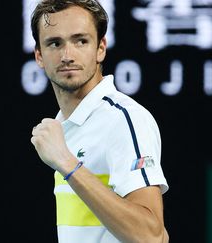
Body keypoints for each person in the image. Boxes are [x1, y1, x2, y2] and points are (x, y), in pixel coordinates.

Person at [30, 0, 169, 242]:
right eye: (55, 43)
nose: (67, 55)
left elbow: (151, 236)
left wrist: (68, 164)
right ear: (39, 56)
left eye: (80, 41)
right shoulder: (62, 126)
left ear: (100, 48)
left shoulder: (124, 120)